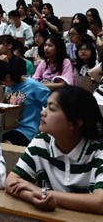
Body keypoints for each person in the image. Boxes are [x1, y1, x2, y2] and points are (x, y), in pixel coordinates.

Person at [6, 86, 103, 214]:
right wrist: (32, 196)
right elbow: (11, 182)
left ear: (75, 123)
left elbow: (100, 202)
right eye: (46, 107)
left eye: (51, 109)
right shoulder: (41, 142)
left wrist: (42, 191)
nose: (43, 112)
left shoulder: (98, 151)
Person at [0, 58, 50, 146]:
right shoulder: (9, 87)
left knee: (6, 145)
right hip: (10, 128)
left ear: (8, 77)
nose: (2, 84)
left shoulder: (34, 86)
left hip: (28, 130)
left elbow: (51, 105)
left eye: (1, 81)